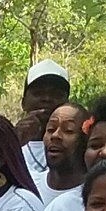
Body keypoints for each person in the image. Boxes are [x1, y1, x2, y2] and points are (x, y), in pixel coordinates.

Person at [18, 59, 73, 187]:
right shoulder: (6, 145)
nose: (47, 99)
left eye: (56, 94)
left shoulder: (76, 147)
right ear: (24, 102)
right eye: (38, 93)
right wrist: (14, 141)